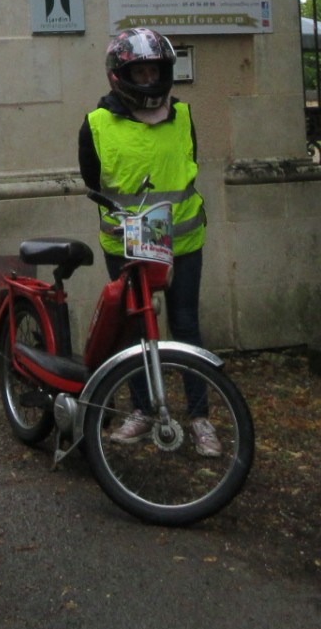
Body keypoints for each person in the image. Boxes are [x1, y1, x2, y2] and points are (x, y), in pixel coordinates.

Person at [77, 26, 220, 457]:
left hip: (184, 242)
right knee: (137, 329)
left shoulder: (184, 117)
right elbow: (92, 180)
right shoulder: (96, 125)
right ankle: (142, 410)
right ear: (121, 76)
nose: (147, 80)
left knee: (186, 326)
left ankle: (200, 417)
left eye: (152, 71)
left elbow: (189, 166)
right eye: (138, 73)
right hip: (128, 247)